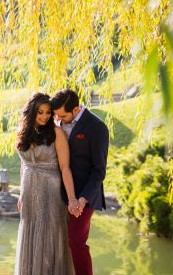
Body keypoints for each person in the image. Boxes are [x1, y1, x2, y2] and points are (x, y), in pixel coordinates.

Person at [14, 93, 77, 275]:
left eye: (48, 113)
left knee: (51, 234)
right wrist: (21, 194)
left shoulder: (56, 133)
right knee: (30, 232)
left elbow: (65, 168)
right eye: (40, 112)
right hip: (29, 192)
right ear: (31, 112)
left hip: (51, 192)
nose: (44, 116)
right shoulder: (23, 133)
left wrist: (72, 199)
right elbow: (24, 165)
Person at [50, 89, 109, 275]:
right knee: (56, 238)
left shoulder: (97, 127)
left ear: (76, 109)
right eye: (56, 115)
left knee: (76, 240)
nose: (58, 119)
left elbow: (99, 171)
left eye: (62, 115)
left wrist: (82, 199)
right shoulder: (56, 123)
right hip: (57, 190)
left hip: (85, 194)